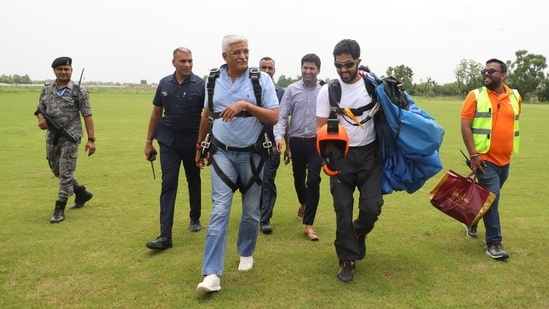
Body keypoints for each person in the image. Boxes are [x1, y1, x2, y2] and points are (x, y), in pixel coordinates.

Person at [195, 34, 279, 293]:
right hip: (222, 154)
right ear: (225, 57)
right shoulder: (213, 81)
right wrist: (200, 146)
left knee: (251, 211)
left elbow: (274, 117)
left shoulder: (261, 80)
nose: (243, 56)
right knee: (220, 210)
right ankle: (211, 275)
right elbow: (208, 116)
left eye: (245, 51)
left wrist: (245, 105)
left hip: (253, 154)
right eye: (237, 52)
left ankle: (246, 252)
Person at [316, 39, 384, 282]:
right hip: (340, 157)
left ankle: (357, 232)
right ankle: (346, 260)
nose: (343, 70)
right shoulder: (328, 91)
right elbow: (320, 127)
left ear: (359, 62)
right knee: (342, 210)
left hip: (370, 155)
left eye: (348, 64)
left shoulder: (374, 88)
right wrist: (326, 157)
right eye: (338, 65)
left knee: (372, 207)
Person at [144, 47, 205, 250]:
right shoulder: (164, 84)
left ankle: (195, 217)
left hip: (192, 143)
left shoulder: (201, 85)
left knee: (193, 180)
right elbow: (156, 113)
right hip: (168, 142)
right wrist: (148, 142)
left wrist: (204, 145)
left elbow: (208, 116)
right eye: (183, 61)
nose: (187, 64)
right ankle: (165, 236)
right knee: (168, 184)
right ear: (174, 63)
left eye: (190, 61)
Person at [460, 58, 521, 260]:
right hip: (484, 159)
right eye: (484, 70)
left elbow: (513, 123)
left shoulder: (515, 97)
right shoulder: (475, 96)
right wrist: (474, 155)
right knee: (492, 199)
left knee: (487, 198)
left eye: (492, 71)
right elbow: (466, 126)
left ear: (503, 75)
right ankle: (494, 243)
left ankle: (471, 221)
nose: (486, 73)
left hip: (505, 159)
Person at [35, 56, 95, 223]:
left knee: (66, 172)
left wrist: (91, 139)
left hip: (71, 136)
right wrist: (41, 119)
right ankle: (81, 192)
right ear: (54, 71)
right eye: (60, 69)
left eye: (66, 69)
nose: (63, 72)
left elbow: (87, 115)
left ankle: (59, 209)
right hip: (52, 136)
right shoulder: (47, 88)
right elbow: (40, 107)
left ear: (71, 71)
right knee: (57, 170)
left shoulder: (79, 90)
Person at [274, 53, 324, 241]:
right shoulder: (292, 90)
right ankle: (303, 203)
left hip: (315, 143)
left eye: (312, 68)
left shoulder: (324, 92)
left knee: (313, 180)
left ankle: (309, 225)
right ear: (301, 68)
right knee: (298, 179)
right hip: (296, 142)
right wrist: (279, 138)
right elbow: (282, 115)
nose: (308, 71)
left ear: (318, 70)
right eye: (305, 67)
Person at [258, 56, 285, 234]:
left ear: (274, 71)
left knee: (267, 180)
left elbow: (284, 120)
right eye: (263, 67)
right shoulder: (249, 90)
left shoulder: (281, 93)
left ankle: (265, 218)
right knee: (254, 181)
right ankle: (257, 212)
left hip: (273, 143)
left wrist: (285, 143)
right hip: (251, 143)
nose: (267, 71)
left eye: (270, 68)